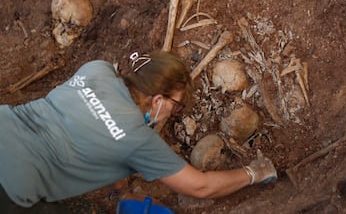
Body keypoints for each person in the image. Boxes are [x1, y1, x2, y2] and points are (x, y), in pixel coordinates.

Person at [0, 50, 277, 212]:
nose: (174, 112)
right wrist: (254, 173)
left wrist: (120, 193)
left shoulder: (96, 70)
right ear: (158, 100)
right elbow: (200, 186)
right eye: (177, 106)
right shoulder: (137, 139)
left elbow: (90, 129)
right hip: (13, 185)